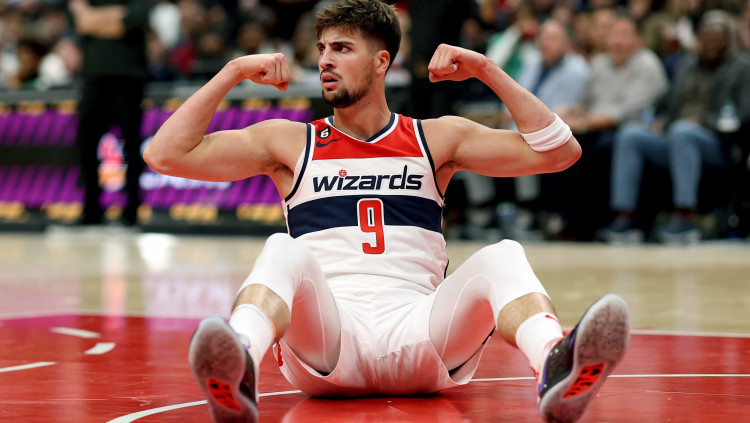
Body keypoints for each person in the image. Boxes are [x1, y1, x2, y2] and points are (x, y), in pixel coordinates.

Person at [144, 1, 630, 422]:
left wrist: (486, 69)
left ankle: (554, 366)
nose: (325, 60)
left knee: (503, 253)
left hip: (423, 335)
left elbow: (560, 152)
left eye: (342, 48)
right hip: (329, 341)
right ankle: (239, 364)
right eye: (322, 49)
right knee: (282, 249)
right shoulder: (291, 141)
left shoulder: (434, 137)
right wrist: (230, 73)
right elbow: (164, 154)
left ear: (381, 62)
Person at [599, 10, 750, 244]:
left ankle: (684, 218)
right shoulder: (686, 65)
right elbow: (668, 105)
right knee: (631, 134)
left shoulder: (742, 68)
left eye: (717, 37)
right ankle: (625, 218)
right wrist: (660, 122)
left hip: (720, 143)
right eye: (706, 36)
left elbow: (743, 115)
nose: (710, 42)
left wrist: (704, 121)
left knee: (682, 132)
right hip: (676, 135)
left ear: (729, 39)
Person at [550, 13, 668, 240]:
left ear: (639, 40)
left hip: (633, 131)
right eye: (614, 35)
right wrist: (567, 112)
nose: (617, 41)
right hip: (594, 128)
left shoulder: (647, 64)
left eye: (624, 35)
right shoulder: (600, 64)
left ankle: (606, 220)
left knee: (600, 149)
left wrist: (582, 123)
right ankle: (567, 219)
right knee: (559, 145)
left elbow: (623, 114)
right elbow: (586, 103)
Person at [69, 0, 151, 226]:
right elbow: (81, 23)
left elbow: (129, 23)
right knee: (86, 144)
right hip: (94, 79)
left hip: (129, 78)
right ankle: (91, 211)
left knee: (132, 145)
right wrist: (114, 16)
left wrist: (93, 18)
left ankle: (132, 211)